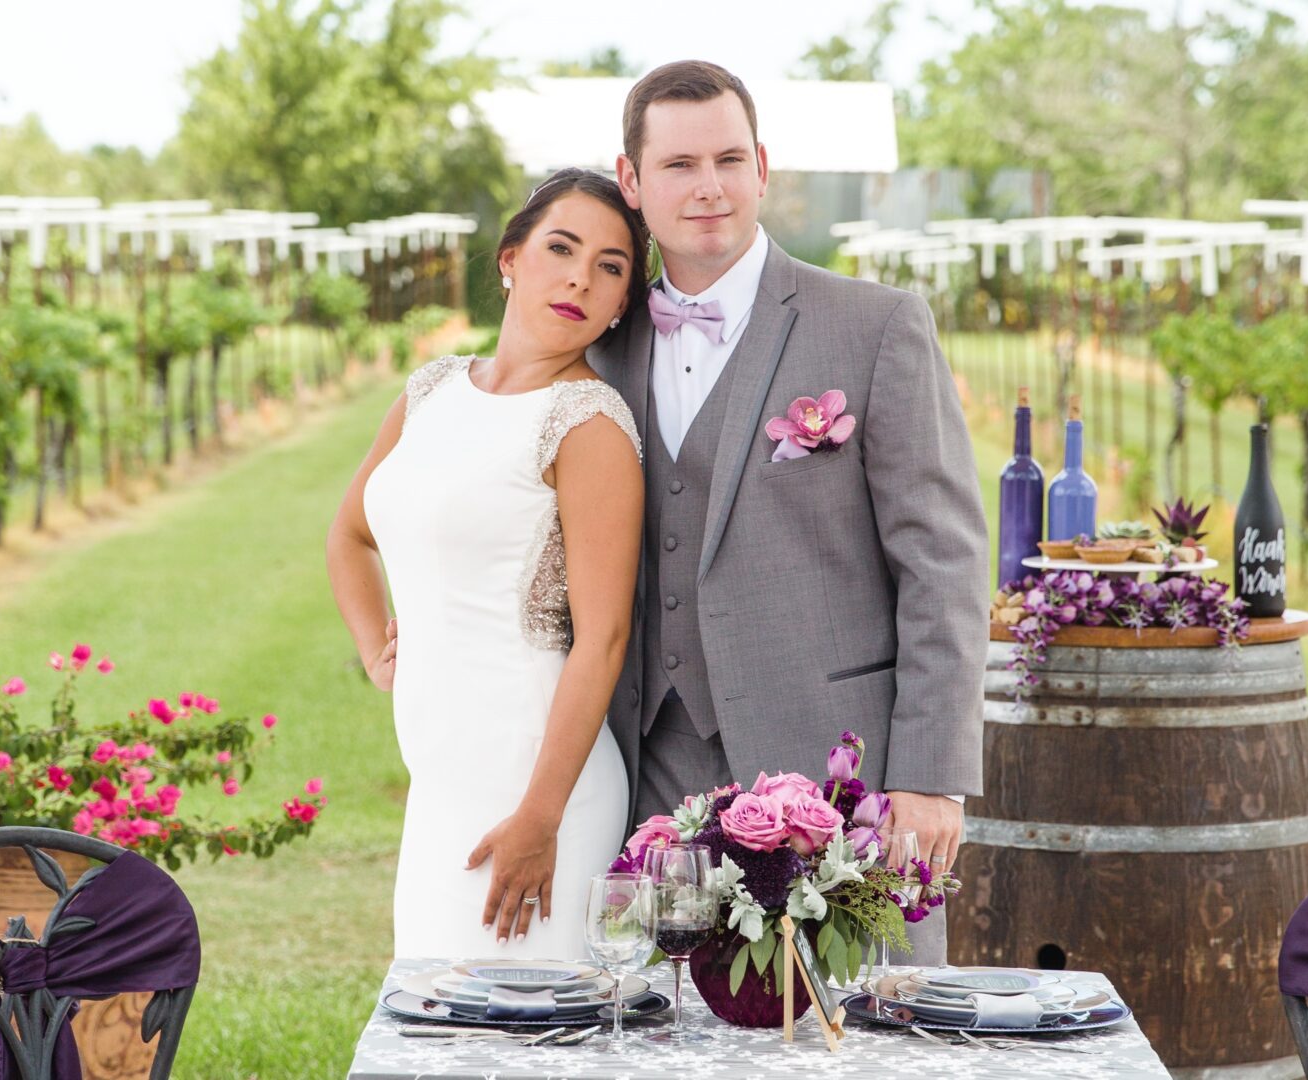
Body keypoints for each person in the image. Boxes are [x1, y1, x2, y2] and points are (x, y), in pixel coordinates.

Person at [589, 61, 989, 965]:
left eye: (731, 158)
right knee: (662, 1034)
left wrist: (928, 776)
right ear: (632, 180)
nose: (709, 187)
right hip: (649, 772)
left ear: (763, 167)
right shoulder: (601, 349)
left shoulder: (874, 325)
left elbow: (947, 563)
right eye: (681, 164)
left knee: (859, 1038)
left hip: (837, 772)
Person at [327, 169, 647, 958]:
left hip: (535, 788)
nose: (580, 276)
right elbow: (349, 534)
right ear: (510, 259)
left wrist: (540, 819)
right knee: (433, 1019)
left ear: (620, 305)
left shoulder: (591, 426)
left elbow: (602, 641)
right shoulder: (432, 390)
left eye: (610, 267)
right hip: (439, 781)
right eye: (561, 248)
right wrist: (379, 653)